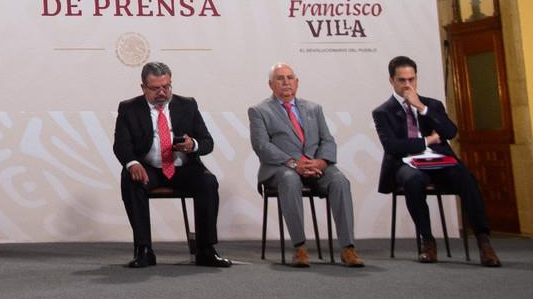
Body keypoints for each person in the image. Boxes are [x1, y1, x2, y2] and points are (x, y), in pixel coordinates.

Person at [373, 55, 500, 266]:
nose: (407, 85)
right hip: (406, 164)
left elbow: (450, 132)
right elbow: (393, 147)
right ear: (391, 81)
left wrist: (422, 108)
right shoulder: (383, 112)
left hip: (439, 162)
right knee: (413, 180)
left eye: (411, 79)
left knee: (465, 176)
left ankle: (483, 240)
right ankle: (428, 241)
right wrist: (429, 139)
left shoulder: (432, 105)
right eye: (402, 80)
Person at [112, 61, 230, 268]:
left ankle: (206, 249)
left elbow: (207, 142)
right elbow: (121, 145)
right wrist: (131, 163)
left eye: (166, 87)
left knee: (208, 182)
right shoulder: (129, 108)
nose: (162, 92)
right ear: (143, 88)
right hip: (150, 168)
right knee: (131, 181)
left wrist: (192, 145)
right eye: (155, 88)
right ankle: (144, 250)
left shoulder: (187, 105)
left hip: (183, 168)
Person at [248, 63, 364, 267]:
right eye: (280, 78)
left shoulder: (314, 108)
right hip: (281, 167)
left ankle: (348, 249)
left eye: (290, 78)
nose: (286, 82)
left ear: (297, 82)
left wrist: (321, 161)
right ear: (270, 84)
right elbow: (262, 146)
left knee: (340, 181)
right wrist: (294, 164)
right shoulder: (259, 111)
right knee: (290, 180)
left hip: (316, 165)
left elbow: (327, 140)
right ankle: (299, 248)